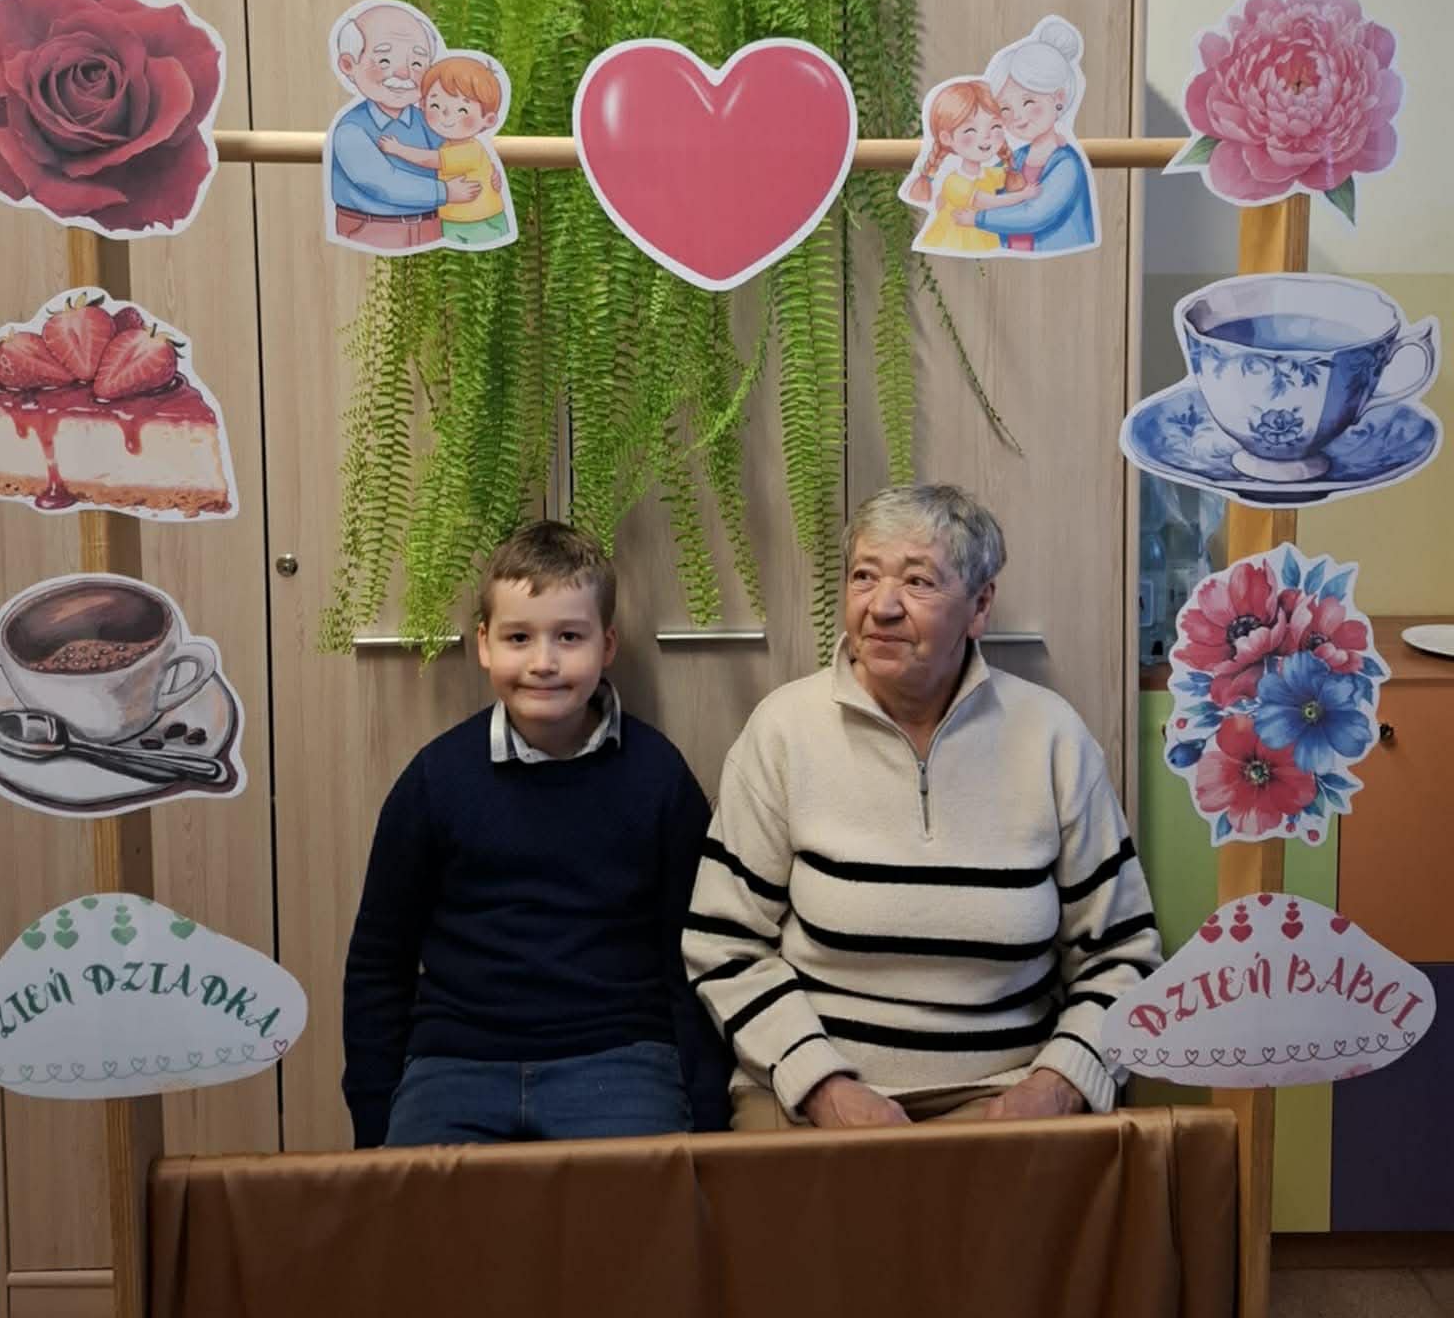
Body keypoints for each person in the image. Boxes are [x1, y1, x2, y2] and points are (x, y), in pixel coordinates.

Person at [684, 484, 1160, 1131]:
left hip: (1004, 1095)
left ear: (979, 606)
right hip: (811, 1095)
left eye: (917, 581)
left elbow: (1124, 952)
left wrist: (1056, 1086)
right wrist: (822, 1086)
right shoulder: (783, 732)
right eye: (863, 576)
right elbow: (724, 943)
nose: (881, 607)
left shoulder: (1052, 738)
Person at [343, 521, 731, 1146]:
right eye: (518, 637)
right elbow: (378, 961)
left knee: (636, 1208)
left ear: (607, 645)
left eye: (569, 637)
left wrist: (710, 1115)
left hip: (621, 1061)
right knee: (422, 1209)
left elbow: (693, 952)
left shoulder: (659, 777)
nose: (543, 662)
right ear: (484, 645)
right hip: (456, 1063)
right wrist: (373, 1121)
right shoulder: (435, 779)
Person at [326, 0, 483, 252]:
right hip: (370, 229)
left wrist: (485, 175)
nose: (403, 74)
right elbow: (381, 182)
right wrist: (444, 191)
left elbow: (452, 156)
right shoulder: (351, 129)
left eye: (417, 63)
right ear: (348, 65)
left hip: (431, 226)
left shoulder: (429, 122)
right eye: (384, 61)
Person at [953, 17, 1099, 256]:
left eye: (1029, 102)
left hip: (1059, 262)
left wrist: (979, 219)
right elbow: (989, 188)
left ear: (1058, 99)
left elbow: (1036, 214)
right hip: (1011, 258)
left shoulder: (1067, 164)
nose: (1018, 118)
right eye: (1005, 109)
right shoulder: (1017, 158)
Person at [377, 53, 516, 249]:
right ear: (423, 105)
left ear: (489, 120)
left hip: (481, 221)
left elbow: (431, 160)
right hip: (454, 220)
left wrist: (398, 149)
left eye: (462, 110)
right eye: (435, 105)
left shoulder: (470, 150)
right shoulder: (449, 144)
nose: (446, 115)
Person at [903, 78, 1034, 255]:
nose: (986, 136)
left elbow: (1011, 172)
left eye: (994, 126)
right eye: (970, 130)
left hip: (982, 240)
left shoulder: (988, 174)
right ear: (947, 138)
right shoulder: (954, 183)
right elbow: (990, 202)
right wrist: (1024, 195)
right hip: (957, 243)